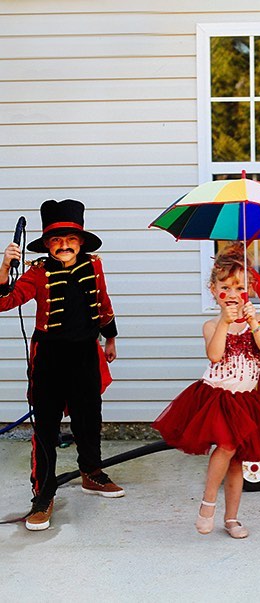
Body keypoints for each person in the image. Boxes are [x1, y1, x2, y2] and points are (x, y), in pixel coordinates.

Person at [153, 244, 260, 539]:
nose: (232, 293)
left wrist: (255, 323)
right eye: (225, 286)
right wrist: (225, 324)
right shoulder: (211, 325)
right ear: (213, 289)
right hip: (217, 398)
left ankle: (232, 518)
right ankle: (207, 505)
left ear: (250, 289)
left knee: (237, 461)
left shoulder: (257, 323)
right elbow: (215, 355)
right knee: (226, 447)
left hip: (245, 401)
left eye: (240, 286)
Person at [0, 199, 122, 532]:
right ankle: (43, 495)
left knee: (89, 417)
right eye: (56, 239)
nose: (63, 244)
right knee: (45, 428)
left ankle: (91, 473)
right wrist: (5, 266)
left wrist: (110, 339)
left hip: (86, 352)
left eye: (69, 238)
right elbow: (4, 301)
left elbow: (104, 303)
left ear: (81, 241)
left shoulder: (94, 265)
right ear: (47, 244)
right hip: (49, 358)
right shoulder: (36, 272)